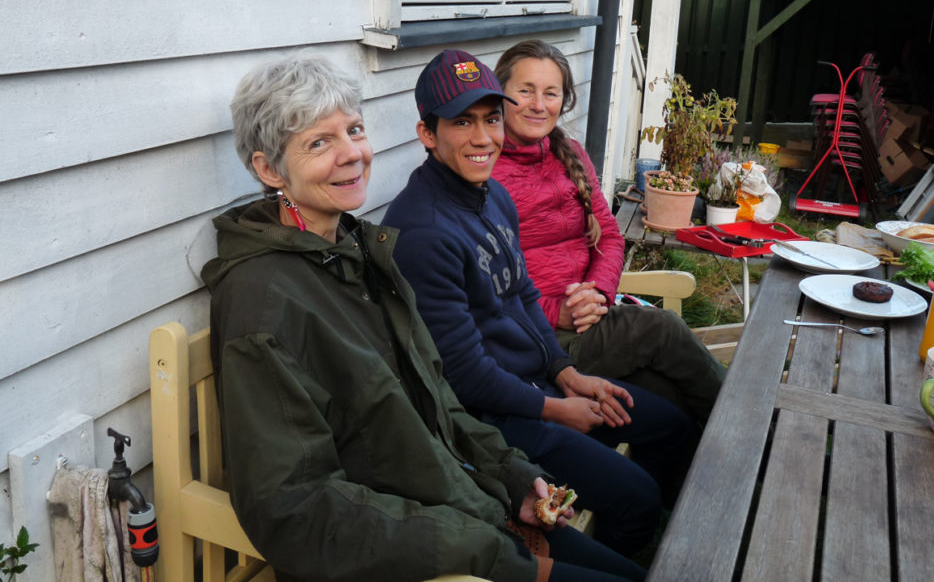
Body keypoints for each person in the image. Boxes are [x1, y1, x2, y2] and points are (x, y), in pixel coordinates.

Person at [200, 53, 647, 582]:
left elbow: (433, 396)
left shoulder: (356, 250)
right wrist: (476, 543)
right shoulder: (263, 301)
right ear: (270, 168)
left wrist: (512, 475)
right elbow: (293, 507)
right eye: (319, 143)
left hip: (463, 504)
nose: (352, 155)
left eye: (354, 130)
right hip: (425, 548)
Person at [383, 49, 695, 558]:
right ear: (427, 134)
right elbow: (464, 375)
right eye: (462, 122)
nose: (484, 138)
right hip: (496, 418)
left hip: (540, 381)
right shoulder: (424, 231)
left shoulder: (490, 195)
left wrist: (568, 373)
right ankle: (624, 556)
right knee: (636, 495)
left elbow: (523, 294)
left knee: (667, 424)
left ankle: (661, 540)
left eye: (490, 118)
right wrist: (557, 409)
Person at [491, 39, 726, 425]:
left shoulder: (569, 153)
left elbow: (611, 238)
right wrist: (557, 313)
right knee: (663, 328)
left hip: (591, 316)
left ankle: (700, 474)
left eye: (551, 93)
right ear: (500, 95)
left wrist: (598, 292)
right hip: (540, 336)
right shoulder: (488, 169)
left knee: (668, 398)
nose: (538, 104)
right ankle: (750, 426)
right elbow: (489, 284)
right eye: (525, 91)